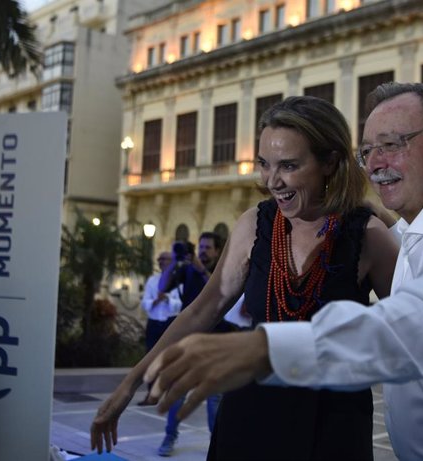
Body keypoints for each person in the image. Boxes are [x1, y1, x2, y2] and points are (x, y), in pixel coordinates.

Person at [142, 83, 423, 461]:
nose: (376, 164)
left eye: (392, 144)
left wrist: (264, 349)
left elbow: (410, 329)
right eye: (368, 151)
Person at [90, 95, 399, 460]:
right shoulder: (255, 224)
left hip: (333, 421)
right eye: (264, 164)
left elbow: (408, 327)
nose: (272, 180)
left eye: (289, 165)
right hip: (251, 413)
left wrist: (390, 220)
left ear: (330, 161)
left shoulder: (368, 234)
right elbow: (200, 311)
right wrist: (130, 383)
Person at [155, 232, 228, 457]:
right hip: (189, 341)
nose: (203, 251)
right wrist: (174, 263)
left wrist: (201, 269)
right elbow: (162, 286)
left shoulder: (223, 269)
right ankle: (169, 437)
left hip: (217, 342)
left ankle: (216, 445)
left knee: (214, 398)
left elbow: (222, 291)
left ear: (217, 251)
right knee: (178, 392)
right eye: (201, 247)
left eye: (208, 248)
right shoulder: (187, 269)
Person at [138, 251, 181, 405]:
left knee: (171, 359)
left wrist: (167, 298)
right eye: (159, 259)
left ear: (171, 261)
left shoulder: (177, 281)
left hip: (171, 323)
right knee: (151, 358)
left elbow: (180, 304)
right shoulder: (152, 280)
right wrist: (155, 300)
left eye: (164, 259)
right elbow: (145, 302)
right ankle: (151, 394)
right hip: (154, 323)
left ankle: (170, 395)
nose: (161, 261)